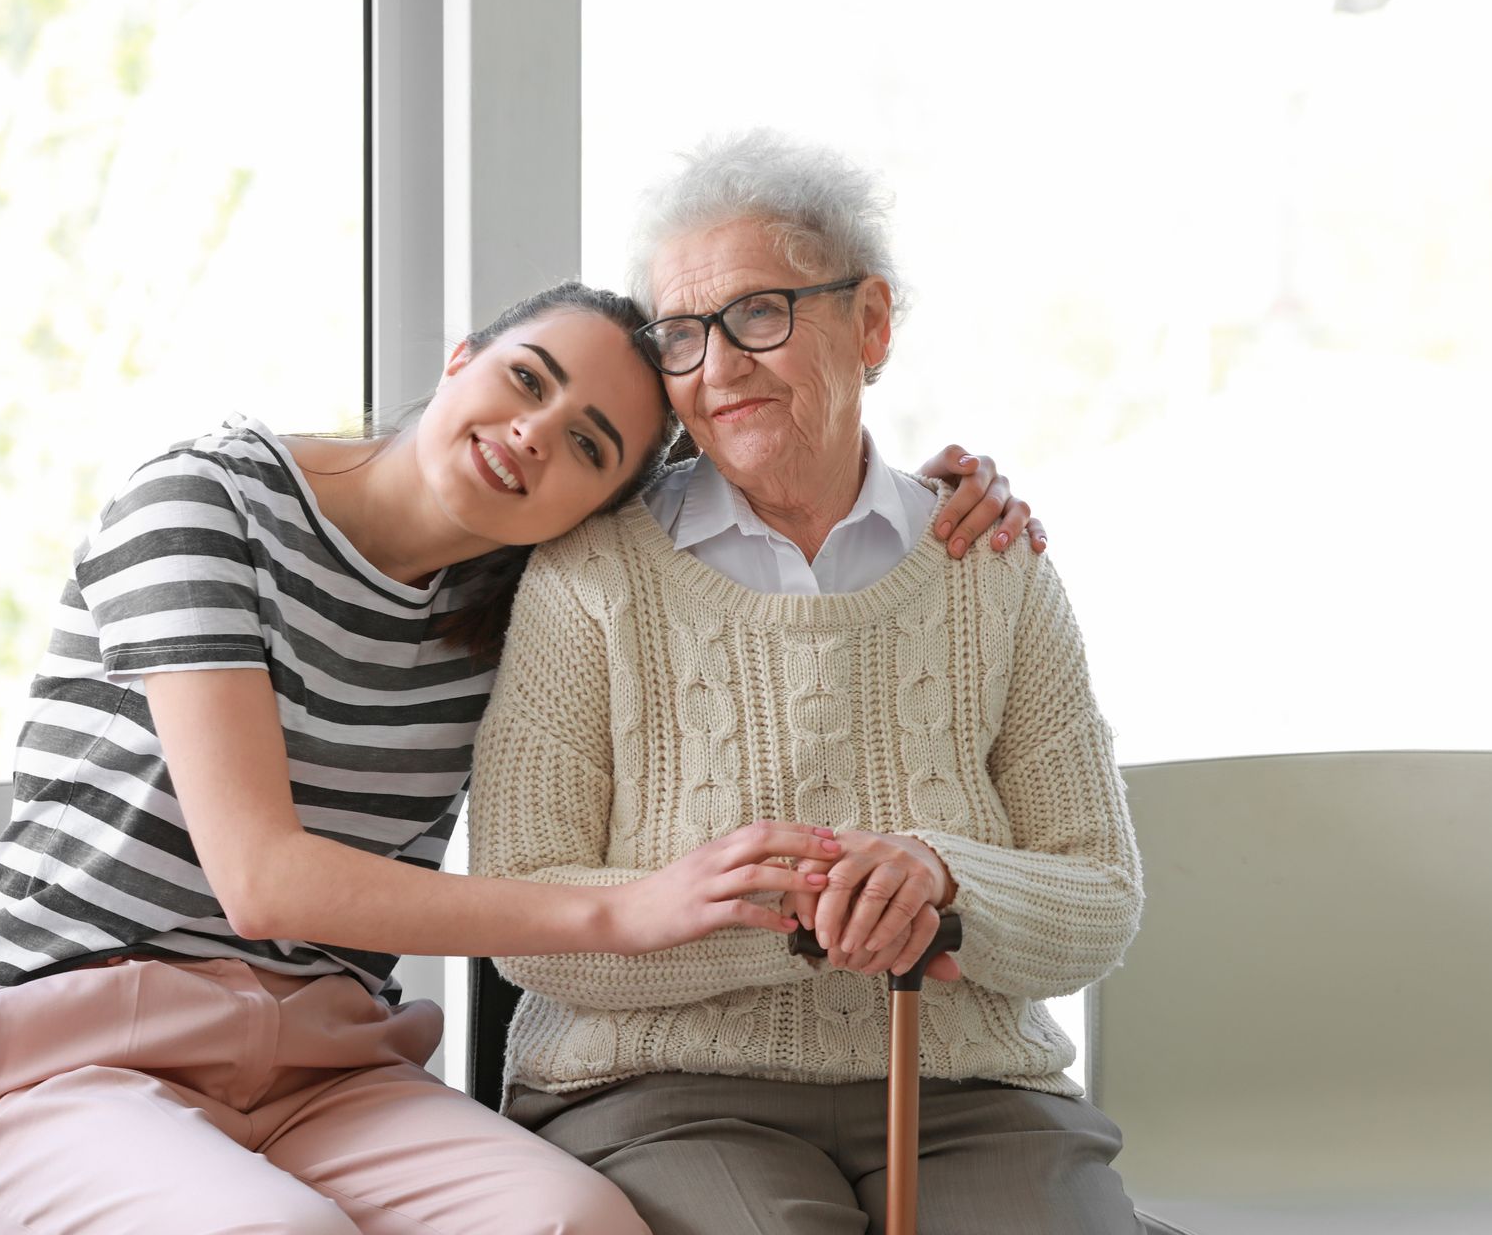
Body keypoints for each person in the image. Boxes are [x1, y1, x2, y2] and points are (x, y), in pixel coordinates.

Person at [0, 279, 1041, 1235]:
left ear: (597, 508)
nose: (536, 432)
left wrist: (934, 495)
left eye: (590, 445)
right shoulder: (205, 503)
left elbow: (745, 523)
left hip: (329, 1067)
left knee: (580, 1222)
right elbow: (262, 878)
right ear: (461, 358)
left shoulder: (524, 606)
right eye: (527, 377)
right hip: (76, 1051)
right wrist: (627, 909)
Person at [472, 132, 1149, 1234]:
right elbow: (520, 913)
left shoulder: (991, 562)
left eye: (760, 313)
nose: (721, 365)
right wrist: (800, 912)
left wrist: (944, 884)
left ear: (870, 321)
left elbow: (1099, 898)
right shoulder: (589, 576)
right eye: (682, 336)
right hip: (657, 1097)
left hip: (968, 1096)